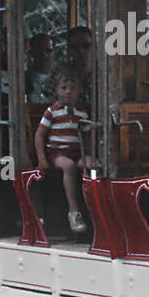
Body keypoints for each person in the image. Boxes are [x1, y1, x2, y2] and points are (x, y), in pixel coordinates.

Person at [35, 67, 93, 234]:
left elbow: (86, 136)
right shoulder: (51, 112)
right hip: (57, 153)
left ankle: (93, 210)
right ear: (57, 90)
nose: (68, 92)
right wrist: (41, 158)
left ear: (79, 91)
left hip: (77, 151)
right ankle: (74, 212)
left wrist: (89, 154)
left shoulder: (81, 113)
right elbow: (39, 135)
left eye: (73, 88)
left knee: (91, 165)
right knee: (68, 166)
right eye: (64, 88)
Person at [25, 32, 56, 102]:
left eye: (48, 51)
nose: (44, 55)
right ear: (31, 54)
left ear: (54, 53)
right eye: (38, 51)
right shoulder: (23, 79)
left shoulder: (61, 79)